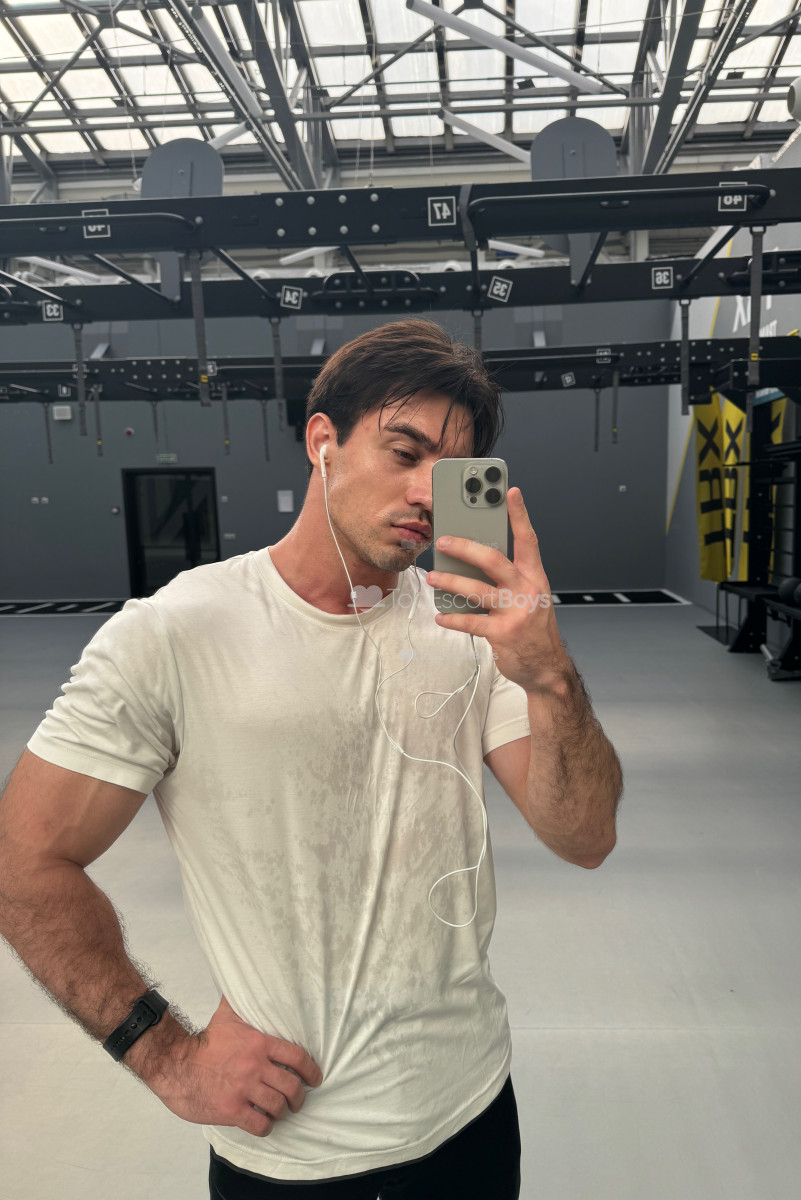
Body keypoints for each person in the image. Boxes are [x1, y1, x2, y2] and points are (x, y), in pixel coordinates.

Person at [0, 318, 622, 1198]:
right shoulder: (176, 632)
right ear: (322, 440)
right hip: (292, 1153)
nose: (426, 493)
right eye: (403, 452)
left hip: (472, 1112)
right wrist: (167, 1056)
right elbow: (22, 859)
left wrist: (551, 676)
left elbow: (585, 836)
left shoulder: (477, 633)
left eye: (451, 472)